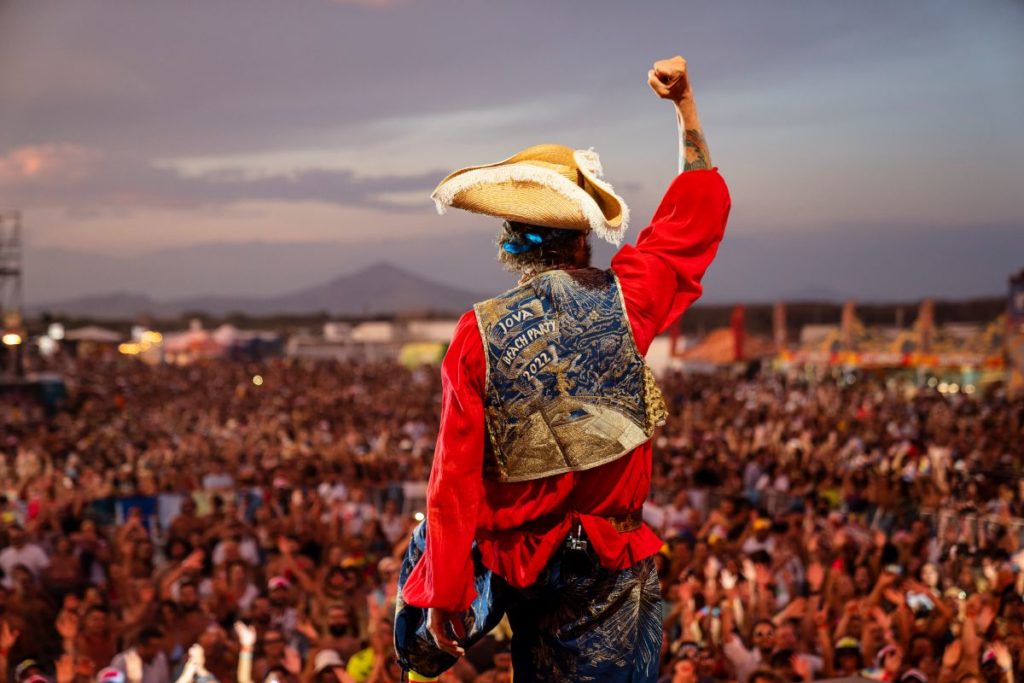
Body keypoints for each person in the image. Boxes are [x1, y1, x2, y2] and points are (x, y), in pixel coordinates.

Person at [394, 55, 731, 682]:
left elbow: (454, 475)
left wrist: (443, 589)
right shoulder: (627, 298)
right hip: (604, 562)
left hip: (508, 555)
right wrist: (686, 107)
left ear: (510, 239)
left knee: (417, 621)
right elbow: (695, 215)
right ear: (583, 236)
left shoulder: (479, 331)